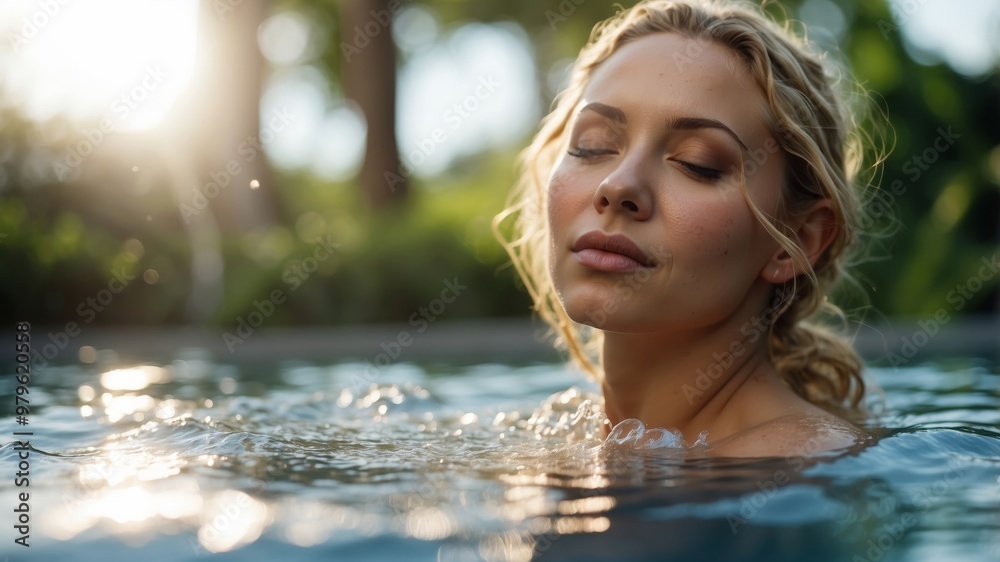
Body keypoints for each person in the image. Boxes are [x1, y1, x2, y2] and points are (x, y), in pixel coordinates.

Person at [494, 0, 881, 457]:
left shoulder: (801, 461)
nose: (617, 185)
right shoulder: (549, 433)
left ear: (797, 241)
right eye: (591, 146)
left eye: (697, 163)